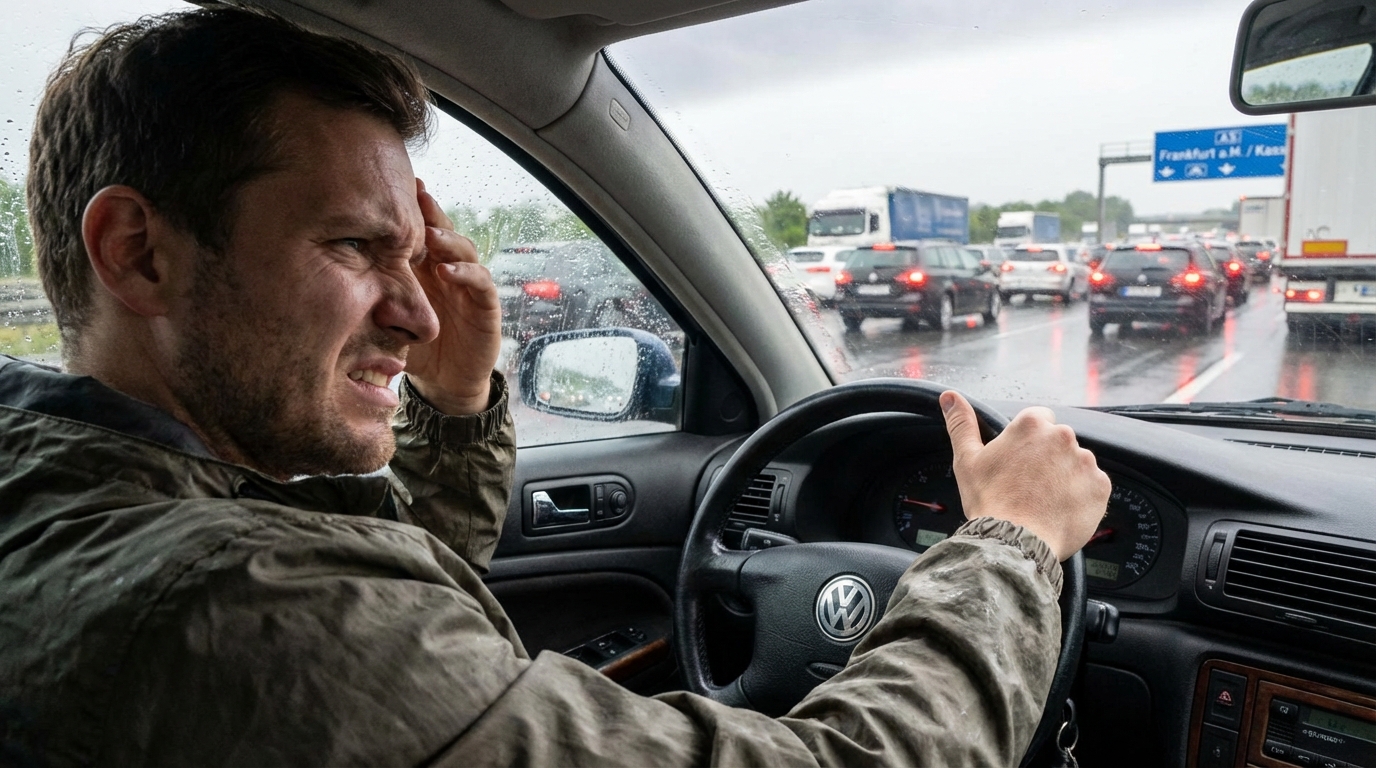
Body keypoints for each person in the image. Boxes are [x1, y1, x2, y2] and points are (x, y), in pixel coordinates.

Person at [0, 7, 1111, 767]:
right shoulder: (238, 606)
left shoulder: (72, 495)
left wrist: (456, 408)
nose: (420, 314)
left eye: (413, 257)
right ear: (139, 253)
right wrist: (1009, 544)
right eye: (353, 246)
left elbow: (385, 584)